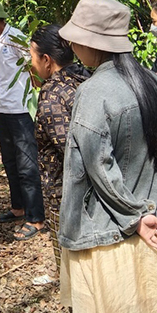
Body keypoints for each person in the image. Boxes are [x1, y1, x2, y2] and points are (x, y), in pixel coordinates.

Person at [57, 0, 157, 313]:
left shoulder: (93, 92)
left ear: (90, 43)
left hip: (108, 233)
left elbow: (96, 165)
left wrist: (135, 214)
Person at [0, 0, 46, 240]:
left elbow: (34, 66)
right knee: (10, 161)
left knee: (27, 164)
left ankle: (36, 218)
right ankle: (19, 207)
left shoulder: (14, 37)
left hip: (20, 110)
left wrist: (35, 97)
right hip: (3, 109)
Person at [29, 25, 88, 272]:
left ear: (46, 59)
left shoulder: (53, 95)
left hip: (65, 196)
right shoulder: (84, 77)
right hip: (92, 194)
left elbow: (71, 152)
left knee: (72, 268)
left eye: (31, 56)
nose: (30, 63)